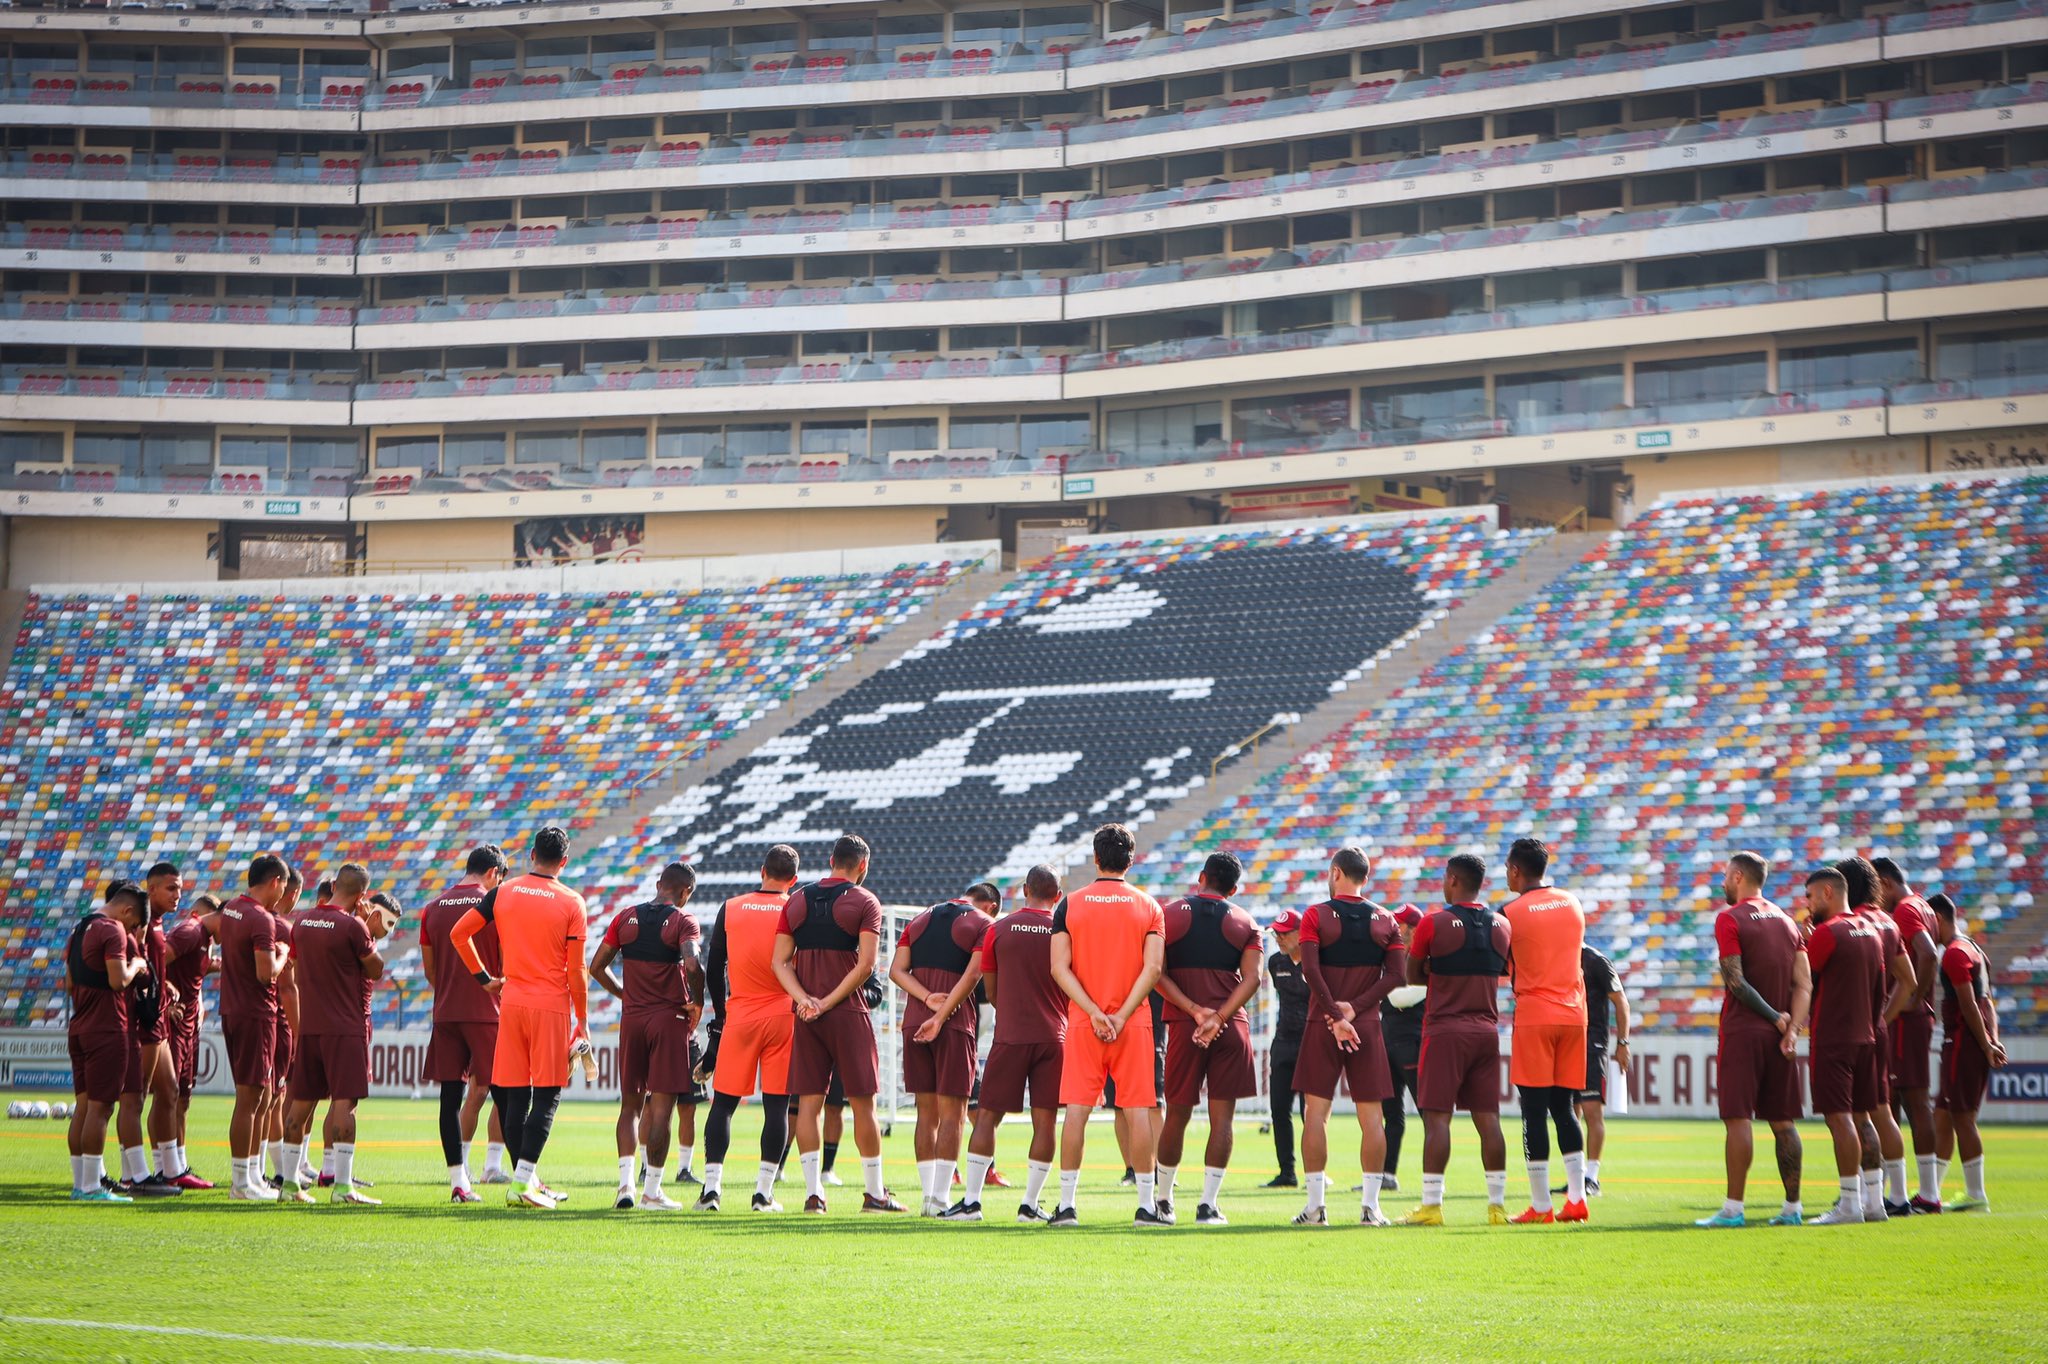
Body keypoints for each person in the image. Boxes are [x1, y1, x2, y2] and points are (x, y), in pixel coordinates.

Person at [451, 826, 591, 1210]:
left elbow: (459, 934)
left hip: (511, 1002)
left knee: (514, 1098)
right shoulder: (571, 902)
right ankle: (523, 1183)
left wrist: (484, 980)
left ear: (531, 855)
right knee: (548, 1095)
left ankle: (525, 1181)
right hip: (551, 1006)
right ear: (563, 861)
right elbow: (577, 970)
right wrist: (583, 1018)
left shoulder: (502, 892)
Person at [925, 865, 1067, 1222]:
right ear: (1058, 896)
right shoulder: (1064, 931)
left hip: (1011, 1034)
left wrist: (1015, 1012)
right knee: (1045, 1122)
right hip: (1054, 1034)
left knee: (986, 1116)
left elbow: (990, 990)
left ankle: (971, 1201)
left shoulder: (997, 929)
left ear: (1023, 889)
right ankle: (1030, 1205)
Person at [773, 834, 904, 1214]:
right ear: (863, 865)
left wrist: (805, 1001)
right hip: (847, 1013)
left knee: (808, 1104)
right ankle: (875, 1194)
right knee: (864, 1105)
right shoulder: (865, 901)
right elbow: (866, 966)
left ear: (832, 859)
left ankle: (814, 1195)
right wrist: (828, 1002)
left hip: (807, 1015)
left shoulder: (797, 899)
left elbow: (779, 962)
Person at [1048, 822, 1168, 1229]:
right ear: (1131, 861)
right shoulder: (1149, 906)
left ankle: (1066, 1206)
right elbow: (1153, 969)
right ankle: (1146, 1207)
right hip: (1132, 1023)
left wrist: (1094, 1011)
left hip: (1085, 1022)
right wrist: (1120, 1014)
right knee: (1138, 1112)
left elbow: (1058, 968)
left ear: (1096, 858)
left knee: (1077, 1112)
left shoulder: (1070, 904)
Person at [1289, 846, 1404, 1228]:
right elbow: (1396, 977)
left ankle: (1316, 1207)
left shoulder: (1316, 915)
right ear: (1365, 878)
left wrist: (1336, 1014)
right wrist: (1354, 1010)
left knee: (1315, 1116)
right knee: (1372, 1120)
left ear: (1336, 872)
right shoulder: (1385, 919)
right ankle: (1371, 1208)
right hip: (1366, 1027)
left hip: (1322, 1023)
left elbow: (1310, 969)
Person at [1696, 851, 1810, 1228]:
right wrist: (1791, 1029)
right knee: (1783, 1121)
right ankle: (1792, 1208)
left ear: (1740, 875)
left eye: (1726, 876)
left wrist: (1775, 1017)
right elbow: (1804, 983)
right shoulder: (1787, 922)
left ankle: (1733, 1208)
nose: (1723, 883)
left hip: (1745, 1030)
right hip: (1781, 1038)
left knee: (1738, 1119)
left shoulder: (1730, 918)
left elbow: (1736, 982)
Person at [1401, 853, 1512, 1226]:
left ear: (1452, 879)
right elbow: (1505, 970)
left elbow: (1412, 974)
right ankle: (1497, 1207)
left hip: (1445, 1029)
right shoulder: (1501, 924)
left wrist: (1436, 968)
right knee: (1489, 1119)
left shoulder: (1434, 923)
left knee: (1437, 1120)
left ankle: (1432, 1206)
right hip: (1486, 1031)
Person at [1153, 852, 1263, 1227]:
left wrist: (1195, 1011)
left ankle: (1164, 1202)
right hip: (1232, 1025)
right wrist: (1218, 1016)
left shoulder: (1169, 913)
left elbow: (1156, 972)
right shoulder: (1246, 921)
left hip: (1186, 1026)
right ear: (1233, 888)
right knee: (1223, 1119)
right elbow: (1253, 979)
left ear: (1201, 877)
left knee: (1177, 1114)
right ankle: (1208, 1205)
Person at [590, 861, 703, 1211]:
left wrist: (625, 995)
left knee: (630, 1106)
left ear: (658, 884)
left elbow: (595, 967)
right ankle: (652, 1191)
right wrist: (697, 1003)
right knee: (663, 1109)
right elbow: (694, 964)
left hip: (633, 1020)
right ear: (685, 892)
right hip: (668, 1020)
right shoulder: (684, 921)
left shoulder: (625, 917)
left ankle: (625, 1186)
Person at [699, 844, 802, 1213]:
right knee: (777, 1107)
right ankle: (762, 1194)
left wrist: (722, 1013)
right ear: (793, 879)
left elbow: (713, 969)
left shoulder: (732, 906)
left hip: (740, 1015)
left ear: (762, 871)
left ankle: (711, 1190)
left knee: (723, 1103)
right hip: (783, 1016)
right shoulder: (795, 908)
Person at [888, 882, 998, 1216]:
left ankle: (926, 1197)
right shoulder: (983, 923)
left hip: (913, 1021)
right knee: (954, 1114)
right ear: (990, 905)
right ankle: (940, 1198)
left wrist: (925, 999)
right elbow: (974, 973)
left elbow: (895, 971)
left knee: (926, 1113)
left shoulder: (919, 919)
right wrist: (942, 1013)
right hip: (953, 1024)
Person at [1802, 866, 1902, 1225]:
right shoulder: (1872, 933)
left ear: (1828, 892)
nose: (1808, 904)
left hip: (1833, 1038)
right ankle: (1874, 1202)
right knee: (1864, 1118)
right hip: (1867, 1035)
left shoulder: (1828, 933)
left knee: (1839, 1119)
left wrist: (1803, 943)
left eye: (1811, 896)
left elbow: (1804, 981)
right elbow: (1882, 988)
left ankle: (1848, 1204)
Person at [280, 862, 386, 1206]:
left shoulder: (303, 921)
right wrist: (369, 930)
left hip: (311, 1025)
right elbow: (377, 969)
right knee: (346, 1105)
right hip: (345, 1027)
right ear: (362, 895)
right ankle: (342, 1187)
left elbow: (294, 966)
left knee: (300, 1106)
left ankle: (289, 1184)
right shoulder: (353, 926)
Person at [1498, 837, 1590, 1225]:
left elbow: (1503, 965)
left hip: (1536, 1014)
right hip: (1574, 1014)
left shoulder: (1509, 912)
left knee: (1532, 1111)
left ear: (1516, 870)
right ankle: (1578, 1198)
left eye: (1507, 868)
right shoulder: (1572, 902)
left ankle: (1540, 1206)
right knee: (1565, 1109)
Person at [421, 845, 510, 1202]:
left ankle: (460, 1181)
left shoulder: (432, 908)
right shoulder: (494, 904)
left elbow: (430, 971)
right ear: (493, 873)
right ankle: (517, 1175)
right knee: (509, 1092)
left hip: (445, 1012)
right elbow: (506, 961)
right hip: (487, 1010)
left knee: (449, 1098)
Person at [205, 854, 293, 1201]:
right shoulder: (261, 919)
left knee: (259, 1097)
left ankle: (252, 1176)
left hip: (234, 1008)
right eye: (283, 886)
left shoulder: (232, 910)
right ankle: (241, 1183)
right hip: (256, 1012)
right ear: (275, 882)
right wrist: (284, 952)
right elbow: (266, 972)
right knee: (251, 1098)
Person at [1838, 855, 1916, 1220]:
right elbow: (1910, 980)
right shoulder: (1888, 921)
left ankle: (1861, 1197)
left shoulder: (1853, 922)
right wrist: (1885, 1017)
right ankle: (1898, 1196)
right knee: (1883, 1111)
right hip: (1878, 1028)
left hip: (1852, 1027)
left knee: (1855, 1115)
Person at [65, 881, 149, 1203]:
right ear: (127, 910)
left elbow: (70, 981)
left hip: (80, 1025)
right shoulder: (112, 929)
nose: (130, 932)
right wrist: (137, 964)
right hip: (107, 1028)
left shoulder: (80, 928)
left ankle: (80, 1182)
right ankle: (89, 1187)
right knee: (101, 1109)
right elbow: (118, 980)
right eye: (133, 925)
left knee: (84, 1108)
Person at [1871, 856, 1942, 1212]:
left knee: (1912, 1101)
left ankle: (1924, 1194)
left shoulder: (1906, 910)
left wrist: (1913, 998)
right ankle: (1895, 1191)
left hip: (1907, 1019)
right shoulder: (1924, 907)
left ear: (1884, 883)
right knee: (1897, 1101)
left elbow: (1929, 955)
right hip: (1913, 1017)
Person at [1929, 893, 2004, 1212]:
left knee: (1962, 1117)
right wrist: (1993, 1038)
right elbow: (1987, 1002)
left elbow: (1969, 1005)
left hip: (1963, 1040)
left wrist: (1986, 1043)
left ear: (1939, 919)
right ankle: (1931, 1191)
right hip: (1971, 1039)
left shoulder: (1955, 954)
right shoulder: (1974, 948)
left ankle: (1976, 1193)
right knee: (1943, 1115)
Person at [112, 862, 182, 1197]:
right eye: (171, 888)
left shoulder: (155, 927)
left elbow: (150, 968)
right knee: (134, 1098)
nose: (178, 895)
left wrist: (163, 986)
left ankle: (169, 1168)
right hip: (145, 1023)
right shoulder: (138, 927)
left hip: (159, 1020)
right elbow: (135, 969)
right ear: (150, 890)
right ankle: (133, 1174)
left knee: (169, 1091)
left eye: (180, 888)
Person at [160, 890, 219, 1188]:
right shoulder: (189, 931)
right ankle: (163, 1168)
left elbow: (199, 968)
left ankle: (178, 1165)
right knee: (167, 1097)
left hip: (190, 1028)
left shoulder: (204, 939)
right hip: (173, 1024)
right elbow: (158, 960)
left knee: (182, 1098)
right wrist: (164, 999)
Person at [1378, 906, 1426, 1194]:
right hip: (1390, 1040)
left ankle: (1433, 1184)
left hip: (1412, 1041)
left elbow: (1398, 999)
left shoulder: (1424, 959)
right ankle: (1386, 1174)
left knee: (1428, 1112)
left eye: (1400, 924)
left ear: (1413, 928)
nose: (1394, 929)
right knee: (1391, 1113)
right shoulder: (1394, 957)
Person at [264, 866, 306, 1188]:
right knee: (273, 1098)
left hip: (254, 1016)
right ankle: (276, 1172)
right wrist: (299, 1029)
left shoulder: (250, 918)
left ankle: (261, 1170)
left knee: (265, 1098)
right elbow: (288, 987)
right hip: (275, 1022)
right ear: (292, 893)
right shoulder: (280, 927)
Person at [1575, 940, 1627, 1196]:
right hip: (1567, 1041)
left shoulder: (1595, 960)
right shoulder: (1560, 957)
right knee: (1570, 1111)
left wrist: (1623, 1042)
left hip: (1591, 1044)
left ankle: (1592, 1178)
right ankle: (1577, 1175)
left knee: (1592, 1110)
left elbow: (1621, 1001)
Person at [1261, 909, 1307, 1189]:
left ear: (1301, 933)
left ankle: (1316, 1171)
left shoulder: (1318, 961)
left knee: (1310, 1113)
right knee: (1279, 1109)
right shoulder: (1274, 961)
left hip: (1311, 1044)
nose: (1278, 937)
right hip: (1283, 1042)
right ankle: (1286, 1172)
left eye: (1285, 932)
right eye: (1276, 932)